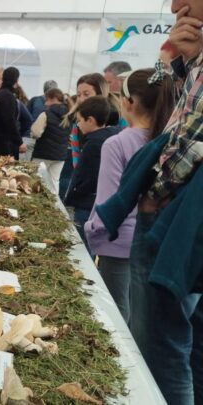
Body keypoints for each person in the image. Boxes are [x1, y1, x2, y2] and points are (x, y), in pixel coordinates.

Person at [97, 3, 203, 402]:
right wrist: (176, 58)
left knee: (160, 348)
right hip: (179, 222)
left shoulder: (119, 142)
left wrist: (152, 193)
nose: (176, 6)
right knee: (183, 344)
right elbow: (166, 93)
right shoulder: (188, 60)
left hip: (172, 221)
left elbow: (188, 143)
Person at [84, 68, 174, 325]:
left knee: (116, 320)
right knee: (140, 319)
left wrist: (91, 231)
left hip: (117, 245)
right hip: (152, 245)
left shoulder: (117, 144)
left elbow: (108, 204)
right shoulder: (169, 143)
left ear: (129, 102)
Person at [64, 96, 122, 255]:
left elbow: (87, 177)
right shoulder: (111, 136)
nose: (78, 125)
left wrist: (74, 194)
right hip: (96, 201)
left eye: (80, 120)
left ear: (90, 120)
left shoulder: (94, 144)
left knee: (82, 248)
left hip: (86, 203)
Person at [30, 88, 71, 195]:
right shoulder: (69, 114)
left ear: (54, 99)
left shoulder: (45, 114)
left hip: (43, 153)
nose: (45, 103)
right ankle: (54, 207)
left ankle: (36, 205)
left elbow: (36, 132)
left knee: (36, 180)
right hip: (60, 155)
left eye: (47, 100)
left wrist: (32, 134)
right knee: (54, 182)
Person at [0, 67, 25, 158]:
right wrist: (19, 142)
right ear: (16, 80)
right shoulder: (8, 96)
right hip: (5, 145)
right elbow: (10, 122)